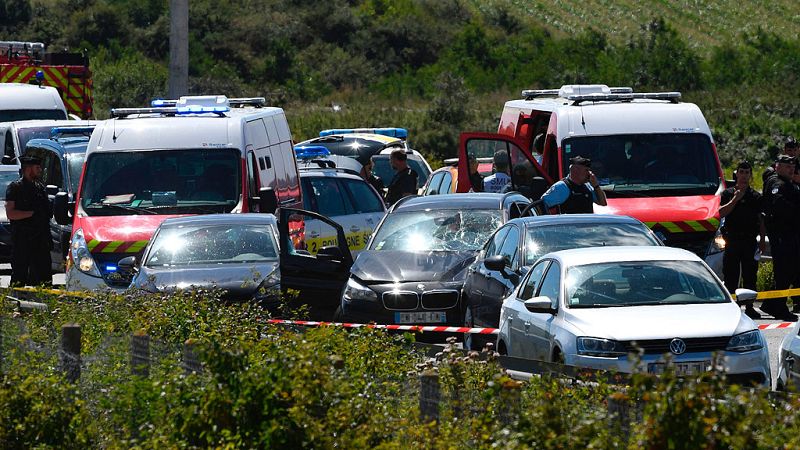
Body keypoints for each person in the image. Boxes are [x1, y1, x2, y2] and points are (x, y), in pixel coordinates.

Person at [718, 161, 765, 319]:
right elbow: (721, 213)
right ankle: (733, 305)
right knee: (731, 274)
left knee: (750, 274)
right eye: (742, 172)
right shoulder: (728, 194)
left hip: (749, 240)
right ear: (736, 174)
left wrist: (763, 240)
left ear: (750, 175)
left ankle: (750, 307)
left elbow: (761, 220)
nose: (744, 176)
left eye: (747, 173)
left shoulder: (755, 197)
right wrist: (735, 199)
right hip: (732, 240)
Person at [761, 154, 800, 321]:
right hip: (782, 235)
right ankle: (778, 306)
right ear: (778, 167)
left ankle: (773, 303)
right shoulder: (777, 183)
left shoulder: (787, 184)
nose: (791, 169)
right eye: (787, 166)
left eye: (793, 167)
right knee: (784, 271)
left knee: (789, 271)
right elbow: (779, 206)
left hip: (789, 234)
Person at [5, 155, 52, 286]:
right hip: (22, 240)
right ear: (28, 169)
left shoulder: (40, 188)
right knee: (19, 278)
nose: (40, 170)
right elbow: (11, 213)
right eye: (37, 168)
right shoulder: (15, 188)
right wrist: (31, 214)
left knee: (44, 279)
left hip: (41, 240)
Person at [540, 156, 608, 214]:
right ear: (576, 171)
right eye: (586, 170)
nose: (590, 173)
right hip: (569, 228)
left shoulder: (588, 186)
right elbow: (541, 205)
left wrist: (596, 185)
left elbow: (603, 203)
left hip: (587, 228)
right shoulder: (562, 187)